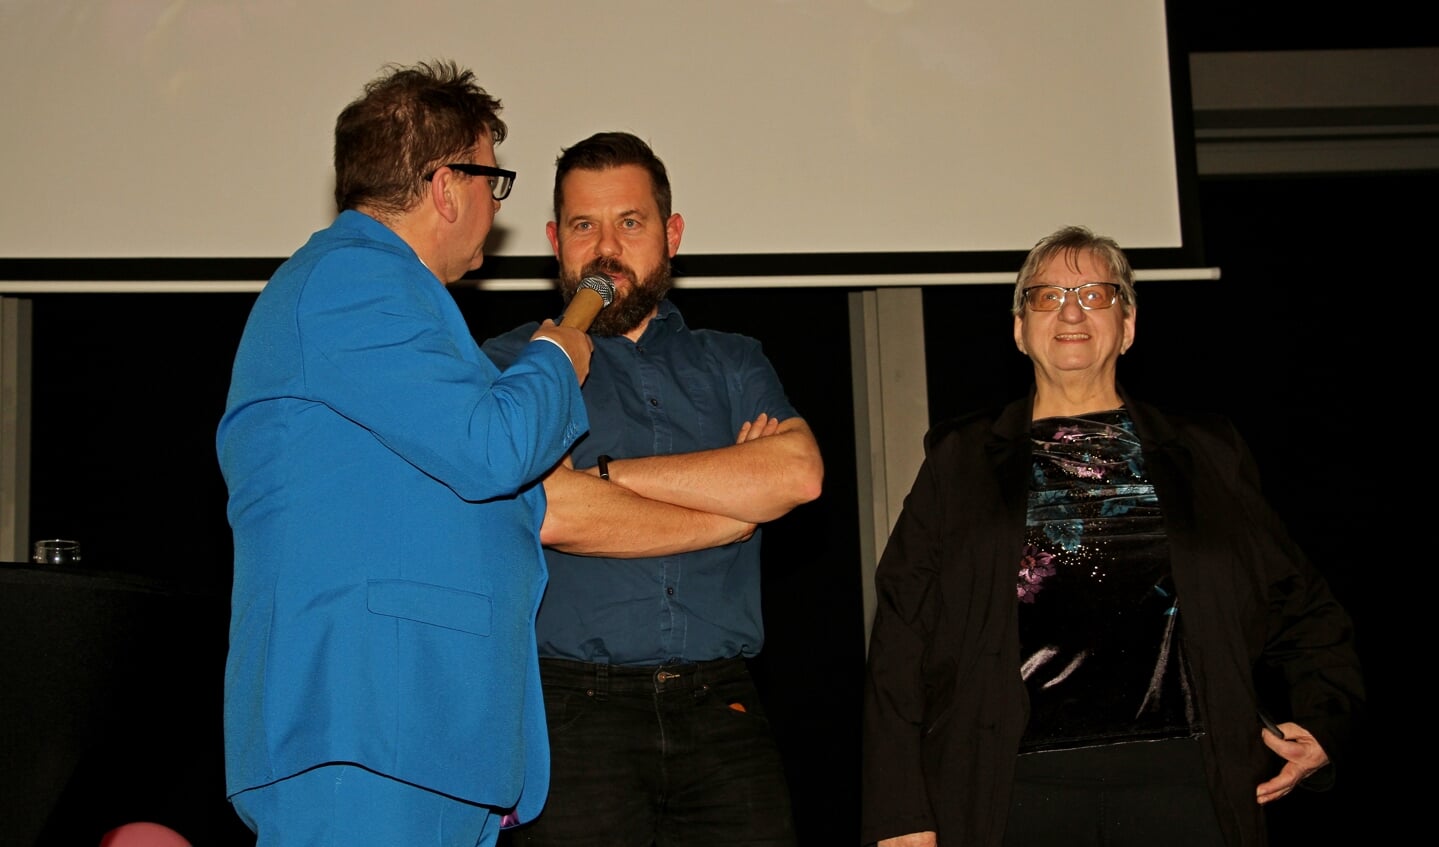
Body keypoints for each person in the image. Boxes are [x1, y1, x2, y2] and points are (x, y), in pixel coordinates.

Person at [859, 225, 1364, 847]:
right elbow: (901, 641)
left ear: (1127, 326)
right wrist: (901, 812)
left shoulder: (1207, 453)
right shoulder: (959, 460)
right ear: (1020, 329)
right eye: (1047, 296)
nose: (1071, 310)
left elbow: (1304, 606)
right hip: (1013, 792)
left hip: (1186, 788)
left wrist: (1323, 722)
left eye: (1096, 294)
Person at [215, 60, 594, 847]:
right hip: (366, 724)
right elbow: (494, 446)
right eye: (495, 180)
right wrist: (557, 355)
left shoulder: (396, 303)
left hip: (418, 735)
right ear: (446, 184)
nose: (495, 206)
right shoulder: (351, 280)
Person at [482, 131, 824, 846]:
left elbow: (795, 473)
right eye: (584, 225)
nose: (605, 246)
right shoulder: (518, 363)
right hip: (574, 713)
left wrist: (605, 478)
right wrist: (727, 508)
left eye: (629, 222)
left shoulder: (732, 360)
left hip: (723, 706)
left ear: (670, 235)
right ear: (553, 240)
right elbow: (547, 507)